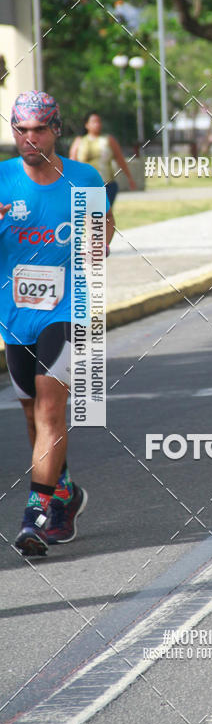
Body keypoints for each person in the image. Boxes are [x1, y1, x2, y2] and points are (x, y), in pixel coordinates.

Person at [0, 91, 114, 557]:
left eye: (39, 129)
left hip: (69, 309)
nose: (30, 138)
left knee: (49, 410)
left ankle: (34, 517)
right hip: (15, 315)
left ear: (56, 130)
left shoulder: (83, 177)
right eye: (22, 130)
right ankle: (63, 492)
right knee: (32, 416)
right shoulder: (2, 180)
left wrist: (99, 241)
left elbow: (104, 229)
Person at [69, 112, 136, 206]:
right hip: (85, 185)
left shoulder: (108, 140)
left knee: (103, 213)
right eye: (94, 122)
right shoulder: (79, 141)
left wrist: (129, 178)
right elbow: (72, 163)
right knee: (88, 214)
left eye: (99, 122)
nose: (97, 124)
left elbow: (120, 159)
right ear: (86, 125)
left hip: (106, 184)